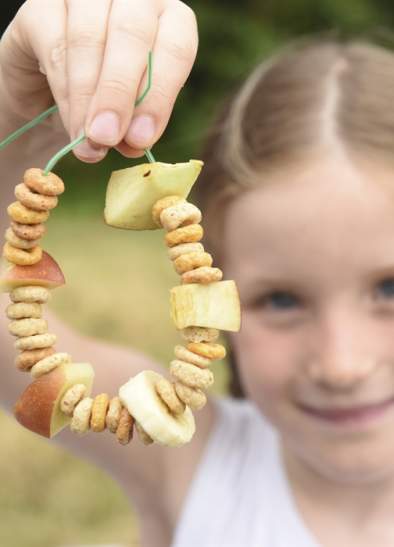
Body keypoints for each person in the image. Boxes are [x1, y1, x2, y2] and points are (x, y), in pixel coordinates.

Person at [1, 2, 394, 546]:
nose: (342, 364)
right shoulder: (188, 461)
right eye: (280, 300)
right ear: (215, 280)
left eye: (389, 289)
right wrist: (13, 120)